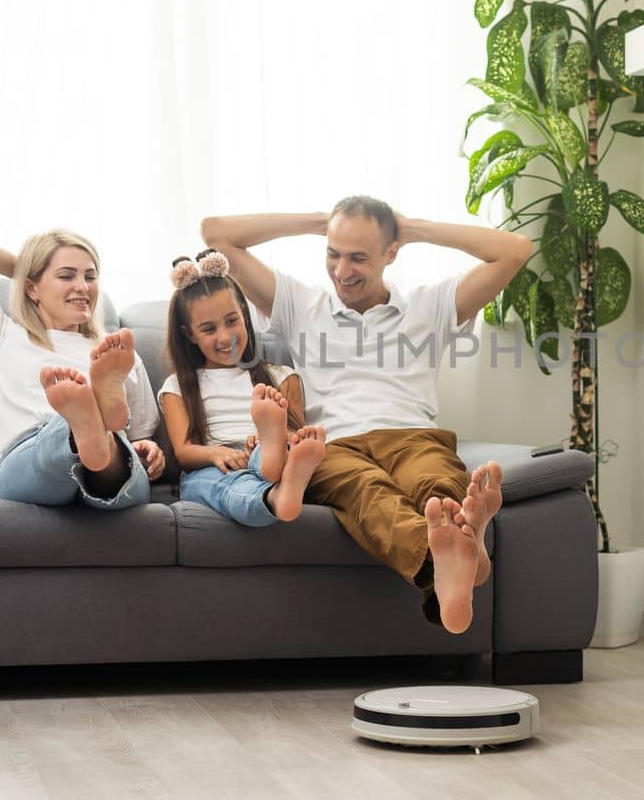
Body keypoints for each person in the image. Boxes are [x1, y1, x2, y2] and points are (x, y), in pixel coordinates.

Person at [201, 197, 532, 633]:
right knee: (367, 492)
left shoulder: (431, 306)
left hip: (413, 436)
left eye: (358, 256)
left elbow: (515, 250)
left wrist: (412, 226)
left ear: (391, 252)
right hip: (332, 445)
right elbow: (216, 233)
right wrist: (323, 222)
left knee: (435, 485)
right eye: (333, 254)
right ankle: (459, 557)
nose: (341, 271)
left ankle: (454, 549)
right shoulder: (300, 304)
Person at [0, 230, 164, 507]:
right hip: (27, 457)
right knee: (62, 444)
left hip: (107, 463)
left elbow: (140, 437)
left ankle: (93, 431)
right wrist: (30, 268)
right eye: (66, 276)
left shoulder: (113, 353)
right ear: (31, 288)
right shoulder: (0, 335)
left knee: (117, 455)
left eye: (90, 276)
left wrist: (148, 448)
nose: (83, 286)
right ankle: (79, 426)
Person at [158, 249, 327, 525]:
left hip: (267, 450)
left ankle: (271, 458)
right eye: (209, 329)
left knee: (280, 444)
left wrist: (273, 438)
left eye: (232, 321)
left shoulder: (282, 376)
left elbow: (296, 432)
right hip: (217, 466)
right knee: (224, 486)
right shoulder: (176, 386)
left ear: (244, 315)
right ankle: (276, 495)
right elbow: (184, 451)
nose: (225, 336)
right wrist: (217, 453)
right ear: (189, 334)